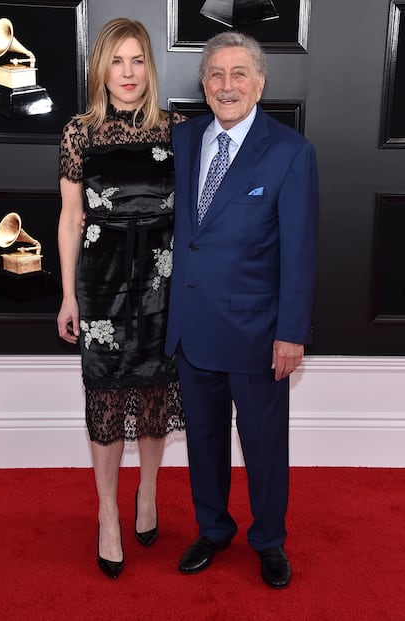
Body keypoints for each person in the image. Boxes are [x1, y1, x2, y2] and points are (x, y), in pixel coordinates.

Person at [165, 31, 318, 588]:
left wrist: (291, 333)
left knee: (263, 444)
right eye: (216, 75)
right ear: (204, 85)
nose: (226, 86)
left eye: (238, 75)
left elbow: (299, 252)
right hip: (192, 327)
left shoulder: (289, 152)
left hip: (258, 333)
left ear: (259, 83)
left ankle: (269, 540)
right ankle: (212, 528)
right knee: (203, 441)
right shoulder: (184, 142)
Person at [57, 17, 185, 579]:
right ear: (100, 68)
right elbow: (68, 219)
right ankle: (108, 512)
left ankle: (149, 493)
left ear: (149, 67)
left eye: (137, 60)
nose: (128, 73)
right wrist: (68, 297)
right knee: (106, 400)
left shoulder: (177, 130)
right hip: (102, 282)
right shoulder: (79, 133)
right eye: (117, 61)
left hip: (164, 279)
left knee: (156, 393)